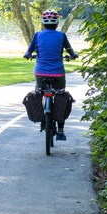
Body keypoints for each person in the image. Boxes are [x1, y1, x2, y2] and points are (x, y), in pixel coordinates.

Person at [23, 10, 78, 141]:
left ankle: (42, 116)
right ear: (57, 23)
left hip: (40, 73)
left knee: (38, 92)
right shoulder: (61, 36)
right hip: (58, 73)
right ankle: (60, 130)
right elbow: (70, 51)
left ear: (43, 23)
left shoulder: (37, 35)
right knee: (61, 95)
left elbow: (28, 51)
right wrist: (73, 56)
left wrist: (28, 55)